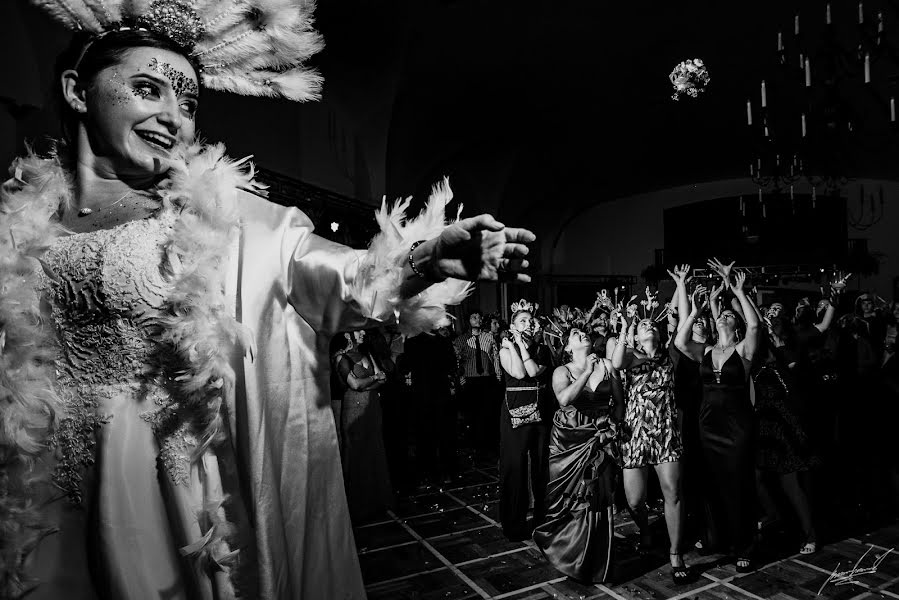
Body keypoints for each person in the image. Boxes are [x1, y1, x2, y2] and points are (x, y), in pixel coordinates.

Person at [0, 3, 536, 598]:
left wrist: (424, 260)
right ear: (77, 90)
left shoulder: (226, 224)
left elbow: (335, 278)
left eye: (189, 103)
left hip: (171, 492)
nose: (172, 117)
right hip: (43, 481)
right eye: (147, 89)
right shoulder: (19, 228)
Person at [676, 261, 761, 573]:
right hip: (707, 423)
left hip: (737, 425)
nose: (723, 315)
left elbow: (754, 326)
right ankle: (720, 539)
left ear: (735, 324)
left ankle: (746, 545)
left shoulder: (745, 350)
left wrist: (738, 291)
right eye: (721, 313)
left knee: (739, 483)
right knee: (713, 484)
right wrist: (697, 311)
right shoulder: (707, 349)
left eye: (728, 314)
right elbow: (679, 342)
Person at [533, 326, 623, 583]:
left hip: (599, 438)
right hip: (568, 440)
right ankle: (568, 553)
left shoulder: (606, 364)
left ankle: (594, 560)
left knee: (598, 496)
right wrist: (585, 372)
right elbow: (564, 398)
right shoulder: (562, 371)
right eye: (574, 334)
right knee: (570, 498)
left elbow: (619, 403)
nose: (581, 333)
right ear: (568, 347)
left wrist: (611, 427)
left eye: (583, 332)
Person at [610, 294, 690, 584]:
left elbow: (680, 326)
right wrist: (626, 325)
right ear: (637, 334)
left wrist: (680, 286)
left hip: (665, 432)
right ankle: (644, 528)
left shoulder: (670, 355)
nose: (649, 326)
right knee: (634, 499)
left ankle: (675, 552)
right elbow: (616, 361)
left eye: (652, 325)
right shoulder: (631, 356)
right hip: (635, 434)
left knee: (673, 492)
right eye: (643, 325)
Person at [498, 300, 552, 540]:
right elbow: (518, 373)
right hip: (514, 413)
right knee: (515, 467)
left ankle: (542, 517)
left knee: (541, 466)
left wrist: (521, 343)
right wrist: (514, 345)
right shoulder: (503, 349)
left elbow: (533, 372)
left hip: (541, 412)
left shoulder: (542, 349)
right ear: (512, 325)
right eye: (522, 321)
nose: (528, 324)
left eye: (530, 321)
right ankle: (513, 523)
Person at [338, 330, 395, 523]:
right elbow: (354, 384)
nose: (363, 333)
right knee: (356, 454)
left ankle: (376, 501)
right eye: (358, 331)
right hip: (354, 409)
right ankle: (357, 505)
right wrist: (372, 379)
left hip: (372, 407)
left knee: (374, 450)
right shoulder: (341, 357)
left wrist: (367, 385)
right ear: (347, 335)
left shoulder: (367, 353)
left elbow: (384, 378)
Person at [455, 310, 503, 452]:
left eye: (479, 317)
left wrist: (498, 375)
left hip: (487, 380)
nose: (478, 319)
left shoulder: (489, 337)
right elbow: (458, 362)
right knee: (472, 415)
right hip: (470, 381)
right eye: (474, 317)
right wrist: (461, 378)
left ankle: (488, 446)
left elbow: (495, 358)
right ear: (468, 320)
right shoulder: (461, 340)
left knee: (488, 413)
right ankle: (474, 446)